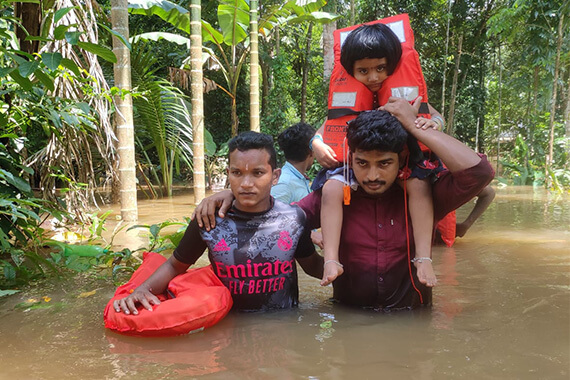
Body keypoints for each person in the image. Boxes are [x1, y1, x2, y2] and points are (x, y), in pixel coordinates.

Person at [194, 98, 495, 311]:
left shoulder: (425, 195)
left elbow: (480, 173)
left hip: (412, 316)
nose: (372, 175)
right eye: (362, 163)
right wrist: (236, 194)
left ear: (401, 160)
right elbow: (274, 215)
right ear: (350, 158)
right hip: (347, 318)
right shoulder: (332, 195)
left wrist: (414, 128)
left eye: (385, 163)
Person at [113, 131, 323, 315]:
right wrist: (143, 290)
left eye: (258, 173)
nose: (246, 184)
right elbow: (174, 265)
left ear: (275, 176)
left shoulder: (294, 219)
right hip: (229, 329)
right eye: (237, 173)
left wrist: (349, 273)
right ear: (228, 175)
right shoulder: (210, 220)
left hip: (284, 329)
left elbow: (313, 266)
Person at [313, 23, 444, 287]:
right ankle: (331, 260)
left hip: (403, 163)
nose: (373, 77)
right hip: (355, 166)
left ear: (392, 65)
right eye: (363, 71)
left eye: (380, 68)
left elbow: (435, 114)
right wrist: (315, 143)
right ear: (351, 71)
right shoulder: (346, 96)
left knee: (419, 185)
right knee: (330, 190)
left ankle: (423, 258)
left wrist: (436, 125)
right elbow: (328, 124)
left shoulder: (404, 93)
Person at [271, 122, 323, 248]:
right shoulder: (284, 183)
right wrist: (310, 234)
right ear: (311, 151)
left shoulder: (297, 178)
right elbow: (272, 222)